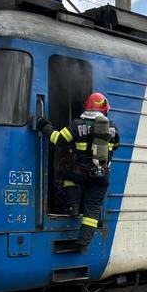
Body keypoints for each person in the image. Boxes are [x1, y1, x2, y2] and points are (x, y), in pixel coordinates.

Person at [37, 92, 120, 251]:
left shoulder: (77, 124)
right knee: (92, 210)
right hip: (101, 176)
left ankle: (73, 206)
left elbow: (57, 139)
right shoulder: (113, 127)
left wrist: (43, 124)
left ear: (88, 106)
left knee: (66, 174)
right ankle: (82, 244)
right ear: (104, 109)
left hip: (80, 173)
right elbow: (116, 146)